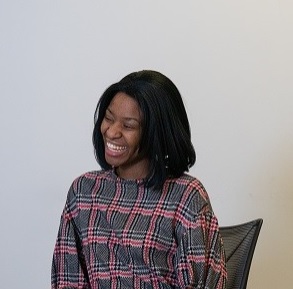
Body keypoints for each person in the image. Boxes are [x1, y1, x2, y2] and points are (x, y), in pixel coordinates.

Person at [51, 70, 227, 289]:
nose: (112, 131)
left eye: (128, 125)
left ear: (156, 132)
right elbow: (67, 281)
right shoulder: (84, 192)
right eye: (108, 118)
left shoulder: (185, 196)